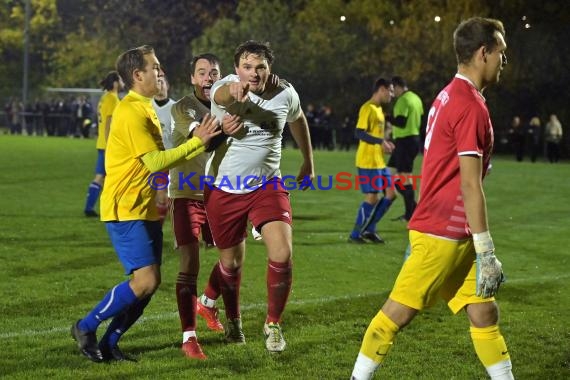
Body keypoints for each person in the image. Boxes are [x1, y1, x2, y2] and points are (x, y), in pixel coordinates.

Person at [351, 17, 513, 380]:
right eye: (501, 52)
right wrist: (486, 251)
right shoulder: (469, 104)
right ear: (483, 53)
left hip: (455, 232)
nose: (504, 60)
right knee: (394, 317)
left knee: (483, 311)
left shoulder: (449, 94)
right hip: (443, 233)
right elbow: (470, 184)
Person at [70, 45, 221, 363]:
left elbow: (155, 163)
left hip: (144, 205)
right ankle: (85, 327)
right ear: (138, 75)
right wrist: (198, 142)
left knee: (149, 283)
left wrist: (162, 192)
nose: (160, 71)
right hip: (125, 207)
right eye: (155, 67)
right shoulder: (130, 110)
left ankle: (111, 343)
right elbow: (154, 161)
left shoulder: (145, 106)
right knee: (146, 280)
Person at [204, 40, 314, 353]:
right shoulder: (225, 88)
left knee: (281, 253)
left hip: (268, 185)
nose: (253, 73)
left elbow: (298, 118)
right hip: (223, 188)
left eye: (260, 67)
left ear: (270, 69)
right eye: (247, 67)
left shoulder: (285, 93)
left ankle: (273, 323)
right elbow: (222, 95)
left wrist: (308, 161)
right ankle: (232, 320)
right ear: (236, 69)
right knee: (231, 263)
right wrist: (235, 94)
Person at [167, 53, 244, 359]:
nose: (209, 78)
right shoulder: (184, 106)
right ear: (193, 78)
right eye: (202, 73)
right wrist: (228, 126)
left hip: (221, 192)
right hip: (186, 192)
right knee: (190, 265)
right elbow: (205, 139)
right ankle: (189, 337)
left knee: (233, 261)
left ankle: (211, 305)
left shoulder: (231, 105)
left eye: (214, 73)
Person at [347, 78, 395, 244]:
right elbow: (359, 133)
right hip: (368, 161)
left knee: (391, 194)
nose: (392, 95)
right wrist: (380, 141)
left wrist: (385, 142)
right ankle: (355, 234)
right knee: (372, 197)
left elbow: (376, 135)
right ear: (381, 89)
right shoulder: (367, 108)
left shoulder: (379, 110)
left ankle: (369, 229)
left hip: (379, 161)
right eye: (390, 90)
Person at [83, 71, 123, 217]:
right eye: (121, 80)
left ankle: (101, 207)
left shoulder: (104, 97)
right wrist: (110, 145)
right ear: (115, 82)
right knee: (103, 176)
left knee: (106, 177)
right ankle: (92, 208)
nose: (124, 82)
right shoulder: (112, 99)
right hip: (108, 145)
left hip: (102, 143)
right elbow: (109, 123)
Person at [387, 76, 424, 222]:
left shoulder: (403, 100)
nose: (392, 93)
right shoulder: (416, 98)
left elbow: (401, 122)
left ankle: (411, 213)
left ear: (398, 87)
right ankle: (412, 208)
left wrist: (386, 117)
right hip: (411, 139)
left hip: (405, 141)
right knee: (390, 172)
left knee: (403, 177)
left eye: (392, 89)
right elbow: (420, 117)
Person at [152, 74, 177, 224]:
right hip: (155, 158)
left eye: (162, 82)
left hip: (173, 159)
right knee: (159, 195)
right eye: (157, 83)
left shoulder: (176, 108)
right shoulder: (147, 107)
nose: (159, 85)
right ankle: (156, 231)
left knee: (170, 197)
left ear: (167, 86)